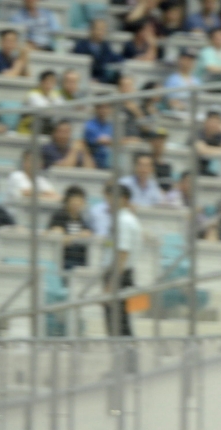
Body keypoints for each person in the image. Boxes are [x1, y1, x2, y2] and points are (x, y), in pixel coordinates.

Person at [105, 185, 141, 337]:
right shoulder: (125, 218)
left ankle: (126, 360)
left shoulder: (124, 221)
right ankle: (127, 359)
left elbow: (123, 253)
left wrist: (111, 283)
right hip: (122, 274)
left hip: (119, 276)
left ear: (123, 199)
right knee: (122, 323)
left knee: (118, 325)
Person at [47, 185, 93, 269]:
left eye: (80, 201)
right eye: (74, 201)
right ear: (67, 201)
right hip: (64, 260)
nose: (77, 204)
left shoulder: (82, 219)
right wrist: (78, 236)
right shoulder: (59, 217)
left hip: (81, 260)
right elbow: (59, 240)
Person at [73, 18, 123, 84]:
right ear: (91, 30)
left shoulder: (106, 47)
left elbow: (115, 58)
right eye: (99, 29)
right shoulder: (81, 45)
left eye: (103, 30)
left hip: (100, 80)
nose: (101, 32)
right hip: (82, 79)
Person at [84, 102, 115, 169]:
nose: (103, 110)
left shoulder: (110, 126)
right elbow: (101, 140)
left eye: (106, 107)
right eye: (101, 107)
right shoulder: (90, 125)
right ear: (96, 109)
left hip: (109, 162)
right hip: (95, 162)